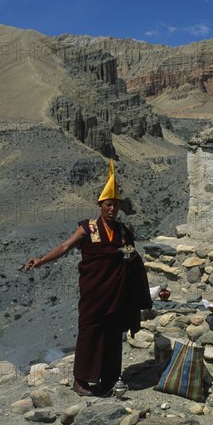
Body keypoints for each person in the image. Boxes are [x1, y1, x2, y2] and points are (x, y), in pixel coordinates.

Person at [24, 159, 152, 397]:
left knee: (114, 335)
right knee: (90, 332)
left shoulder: (124, 231)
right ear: (100, 205)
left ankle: (110, 379)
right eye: (108, 205)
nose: (112, 209)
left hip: (117, 294)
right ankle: (81, 379)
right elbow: (64, 247)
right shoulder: (88, 228)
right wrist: (41, 260)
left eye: (115, 205)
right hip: (94, 293)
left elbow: (132, 257)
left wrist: (130, 259)